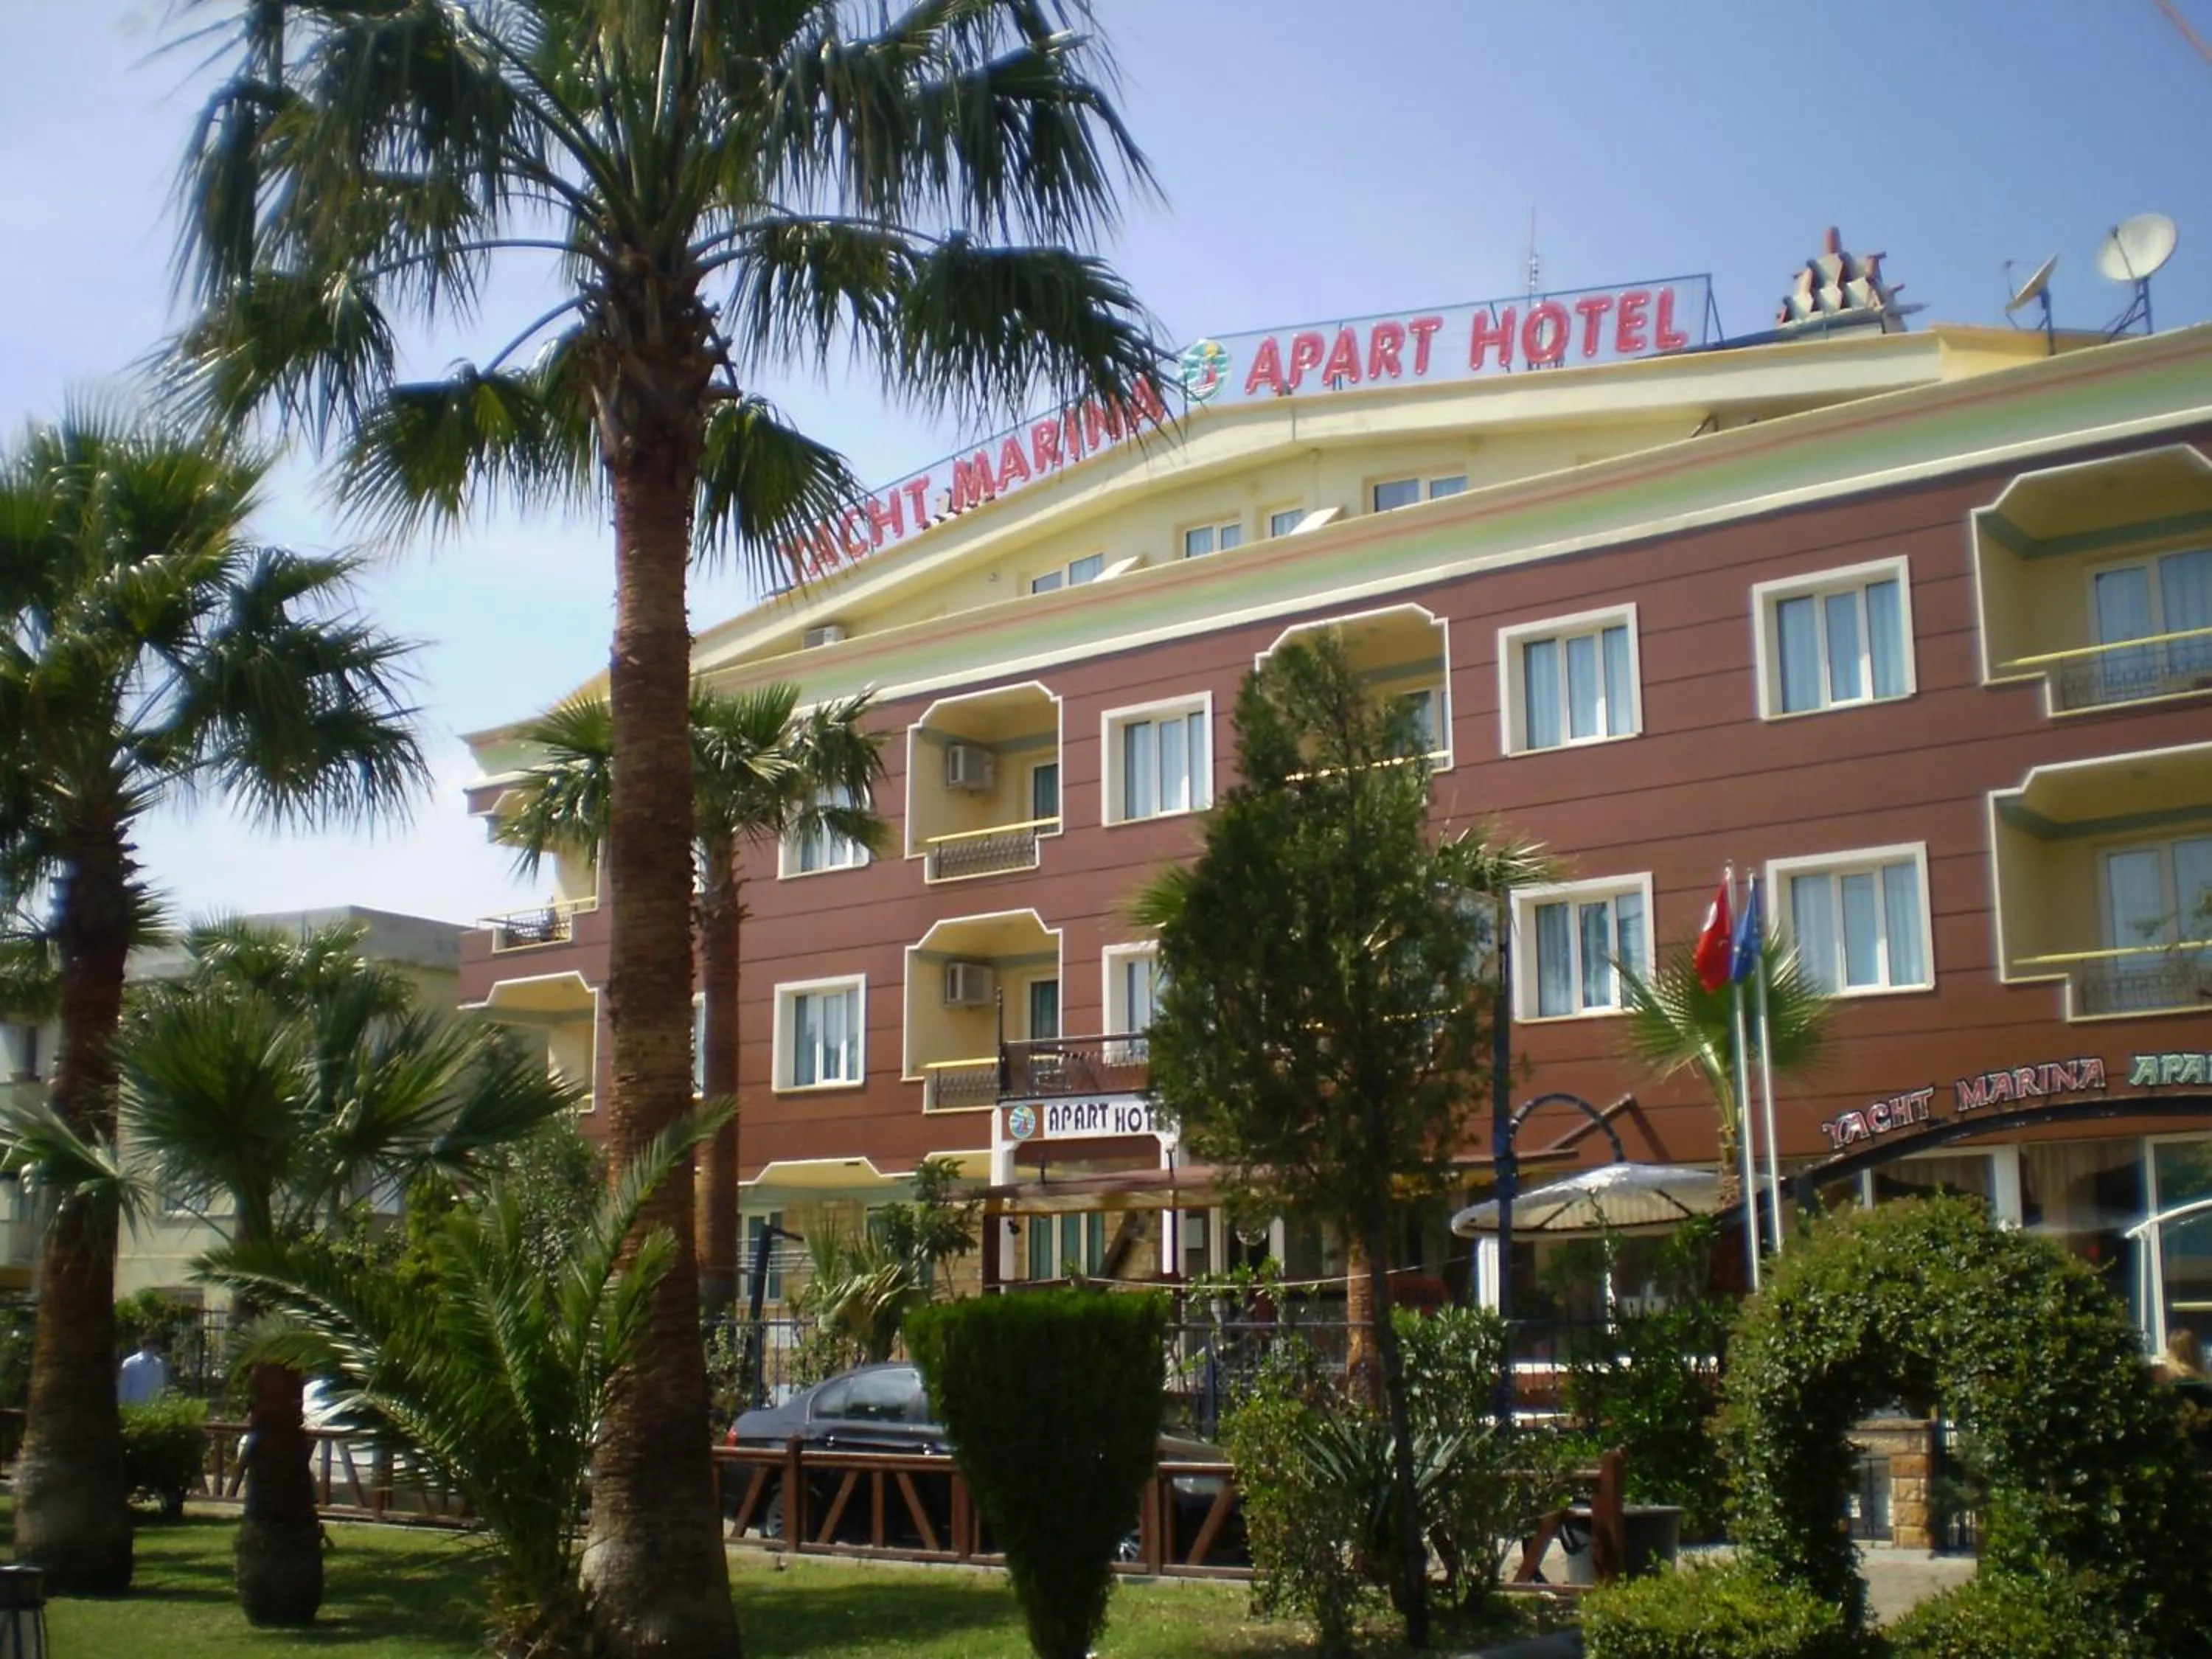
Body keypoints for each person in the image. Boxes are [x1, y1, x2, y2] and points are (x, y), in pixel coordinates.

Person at [116, 1333, 167, 1405]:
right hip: (134, 1407)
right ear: (143, 1345)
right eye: (150, 1344)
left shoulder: (159, 1363)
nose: (153, 1347)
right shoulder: (130, 1363)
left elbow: (160, 1385)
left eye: (155, 1345)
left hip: (153, 1408)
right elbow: (123, 1389)